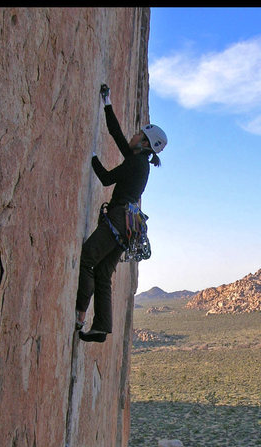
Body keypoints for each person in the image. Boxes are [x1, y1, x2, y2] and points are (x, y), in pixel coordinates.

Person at [75, 84, 167, 342]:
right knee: (103, 274)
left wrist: (90, 155)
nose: (134, 135)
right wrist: (107, 101)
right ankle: (101, 327)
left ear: (145, 142)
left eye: (138, 133)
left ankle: (80, 315)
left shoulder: (136, 164)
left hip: (118, 220)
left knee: (87, 258)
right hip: (129, 226)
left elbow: (105, 178)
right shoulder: (139, 162)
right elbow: (116, 134)